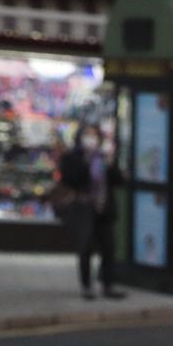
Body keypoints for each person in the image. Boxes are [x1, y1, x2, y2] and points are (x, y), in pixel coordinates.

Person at [56, 121, 125, 302]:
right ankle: (87, 285)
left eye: (94, 135)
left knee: (108, 247)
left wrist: (111, 164)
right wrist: (86, 164)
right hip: (83, 208)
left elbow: (118, 180)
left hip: (104, 209)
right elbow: (70, 179)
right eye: (87, 134)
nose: (91, 139)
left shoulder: (103, 158)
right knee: (85, 248)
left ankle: (107, 284)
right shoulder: (73, 157)